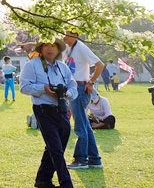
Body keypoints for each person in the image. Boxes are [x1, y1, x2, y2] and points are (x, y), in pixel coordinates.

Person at [20, 38, 78, 188]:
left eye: (53, 46)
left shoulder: (62, 67)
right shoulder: (32, 65)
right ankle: (66, 183)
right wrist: (43, 88)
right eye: (46, 45)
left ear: (58, 49)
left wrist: (67, 94)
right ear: (41, 48)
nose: (50, 49)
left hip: (61, 108)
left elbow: (73, 85)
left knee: (56, 146)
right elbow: (24, 87)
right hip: (43, 109)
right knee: (56, 148)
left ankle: (43, 180)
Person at [62, 30, 105, 170]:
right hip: (75, 88)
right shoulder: (69, 48)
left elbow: (100, 65)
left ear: (75, 36)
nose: (65, 36)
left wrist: (91, 82)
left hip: (81, 89)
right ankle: (94, 159)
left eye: (68, 34)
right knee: (85, 125)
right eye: (65, 33)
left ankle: (81, 159)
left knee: (80, 126)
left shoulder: (81, 47)